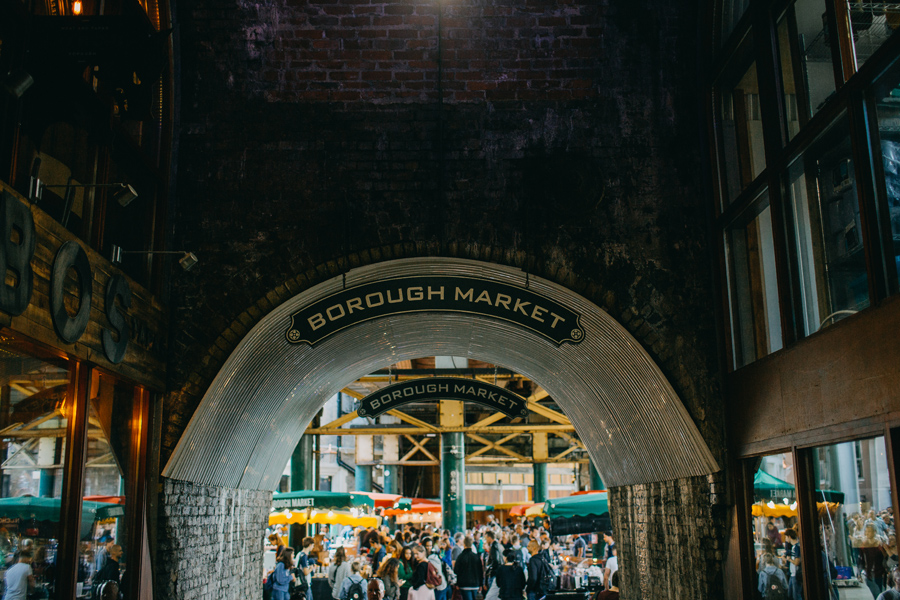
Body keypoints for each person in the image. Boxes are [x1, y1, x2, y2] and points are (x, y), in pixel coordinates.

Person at [783, 529, 802, 600]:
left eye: (786, 537)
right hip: (793, 574)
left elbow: (797, 562)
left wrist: (789, 559)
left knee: (796, 596)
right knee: (791, 595)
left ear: (789, 537)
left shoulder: (795, 547)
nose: (785, 539)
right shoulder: (796, 546)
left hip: (795, 574)